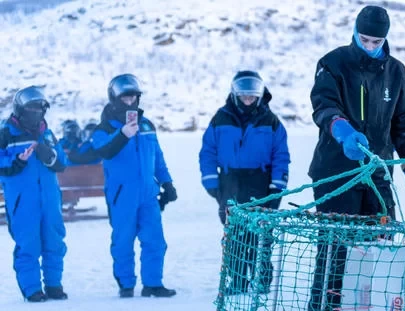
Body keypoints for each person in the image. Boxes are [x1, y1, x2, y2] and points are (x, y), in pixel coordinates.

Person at [307, 5, 405, 311]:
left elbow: (402, 124)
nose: (370, 45)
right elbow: (323, 104)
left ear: (385, 39)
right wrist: (340, 129)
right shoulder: (334, 62)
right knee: (336, 244)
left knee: (380, 241)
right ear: (355, 33)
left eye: (376, 41)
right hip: (336, 169)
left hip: (378, 171)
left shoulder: (396, 71)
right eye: (364, 39)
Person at [199, 70, 290, 291]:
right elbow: (208, 152)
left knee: (261, 234)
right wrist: (211, 182)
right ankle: (238, 281)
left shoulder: (271, 121)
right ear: (235, 95)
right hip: (230, 181)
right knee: (236, 235)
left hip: (260, 182)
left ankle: (262, 281)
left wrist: (277, 187)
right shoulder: (220, 118)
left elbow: (281, 156)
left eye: (252, 97)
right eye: (244, 97)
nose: (248, 101)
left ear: (258, 97)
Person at [92, 74, 178, 298]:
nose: (130, 102)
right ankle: (126, 284)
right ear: (115, 99)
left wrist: (167, 183)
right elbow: (104, 151)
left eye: (133, 98)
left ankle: (153, 283)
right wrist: (122, 134)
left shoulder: (146, 125)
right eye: (125, 98)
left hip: (148, 194)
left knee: (155, 240)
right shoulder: (103, 129)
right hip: (122, 196)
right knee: (123, 241)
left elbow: (157, 157)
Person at [0, 86, 68, 302]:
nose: (36, 113)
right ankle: (32, 289)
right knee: (28, 243)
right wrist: (17, 161)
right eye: (31, 109)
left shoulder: (46, 133)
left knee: (54, 241)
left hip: (50, 199)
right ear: (20, 110)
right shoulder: (6, 134)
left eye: (39, 109)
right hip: (22, 201)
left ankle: (54, 285)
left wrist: (49, 156)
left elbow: (62, 163)